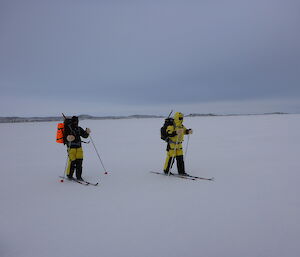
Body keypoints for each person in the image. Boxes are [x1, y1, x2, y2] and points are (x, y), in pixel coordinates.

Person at [64, 116, 91, 181]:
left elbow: (84, 136)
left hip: (79, 148)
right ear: (72, 121)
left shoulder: (78, 128)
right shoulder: (68, 128)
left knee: (79, 162)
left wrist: (87, 132)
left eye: (77, 121)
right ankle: (69, 175)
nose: (76, 122)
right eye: (75, 121)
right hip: (71, 148)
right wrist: (68, 138)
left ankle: (79, 176)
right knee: (72, 162)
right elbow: (65, 138)